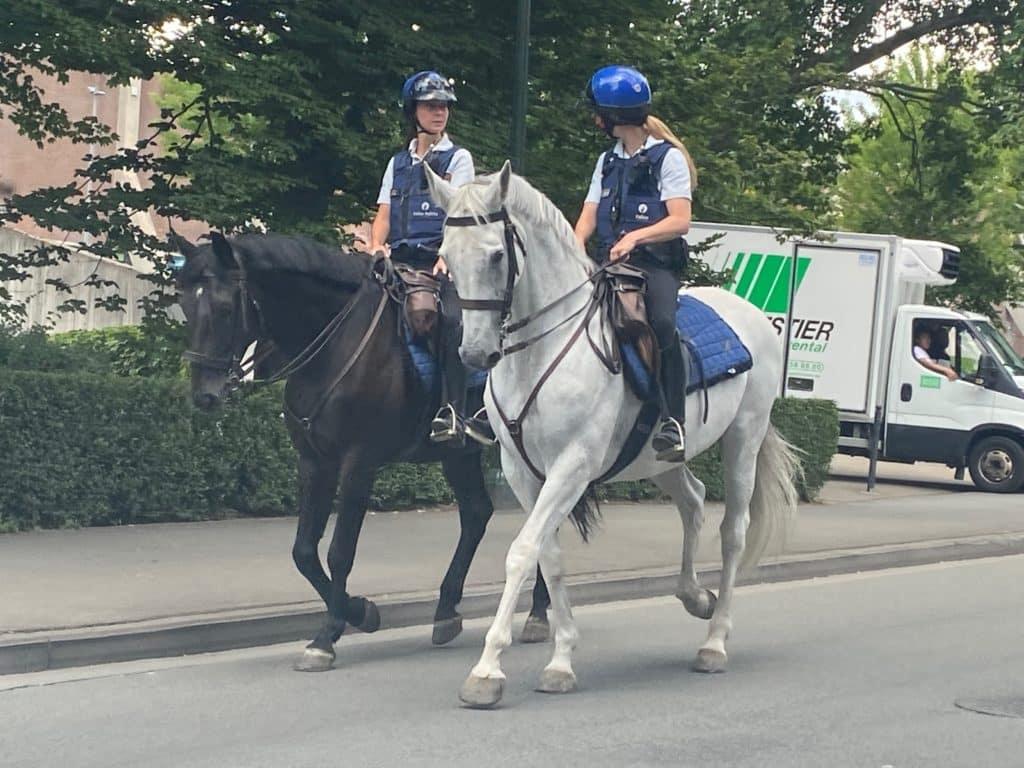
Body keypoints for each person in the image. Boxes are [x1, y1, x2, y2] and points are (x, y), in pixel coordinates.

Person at [573, 65, 697, 462]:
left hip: (653, 266)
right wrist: (573, 246)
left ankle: (673, 421)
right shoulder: (606, 160)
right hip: (608, 264)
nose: (595, 119)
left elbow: (680, 220)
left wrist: (635, 237)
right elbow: (589, 213)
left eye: (599, 113)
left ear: (614, 116)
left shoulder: (667, 159)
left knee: (661, 323)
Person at [369, 70, 491, 445]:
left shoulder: (458, 159)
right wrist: (376, 245)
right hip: (399, 262)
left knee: (452, 321)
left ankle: (453, 412)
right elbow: (384, 214)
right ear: (414, 112)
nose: (440, 113)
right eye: (431, 106)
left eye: (444, 107)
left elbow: (461, 213)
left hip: (441, 263)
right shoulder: (397, 163)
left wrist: (447, 256)